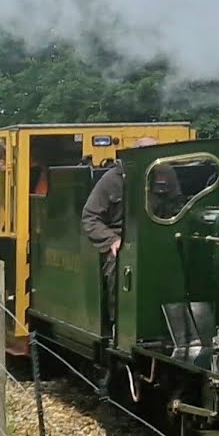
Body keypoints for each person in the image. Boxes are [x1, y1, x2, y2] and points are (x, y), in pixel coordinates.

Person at [81, 137, 160, 332]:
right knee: (119, 264)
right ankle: (118, 322)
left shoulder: (165, 175)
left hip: (157, 236)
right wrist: (112, 240)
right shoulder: (111, 180)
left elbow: (176, 204)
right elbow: (90, 217)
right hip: (121, 238)